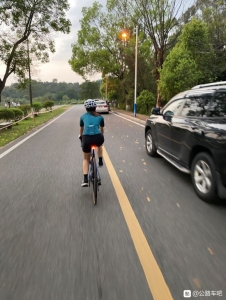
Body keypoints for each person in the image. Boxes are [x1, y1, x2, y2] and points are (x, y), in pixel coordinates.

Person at [79, 99, 105, 187]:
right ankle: (100, 160)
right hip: (98, 138)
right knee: (99, 145)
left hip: (87, 139)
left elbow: (81, 129)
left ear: (85, 108)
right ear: (95, 107)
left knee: (86, 159)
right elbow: (101, 128)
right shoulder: (100, 117)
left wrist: (81, 137)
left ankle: (85, 179)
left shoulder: (82, 117)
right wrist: (101, 135)